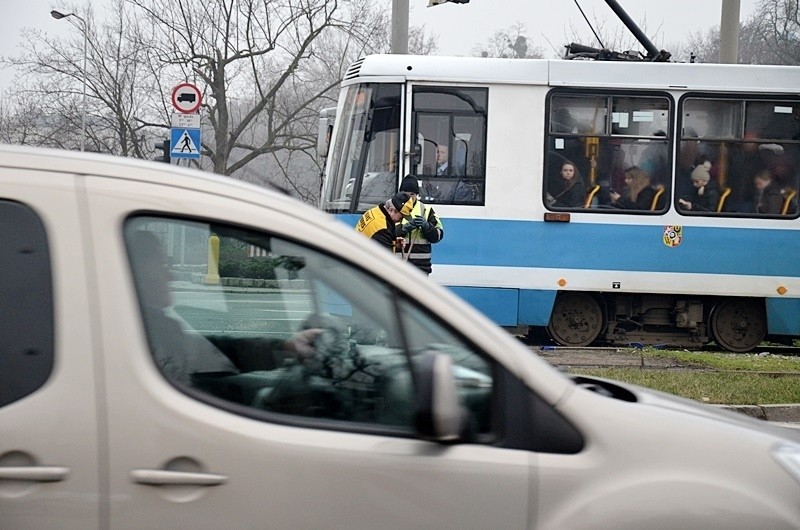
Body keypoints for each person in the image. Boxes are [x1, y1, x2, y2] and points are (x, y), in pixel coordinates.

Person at [127, 231, 321, 386]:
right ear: (138, 272)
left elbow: (215, 349)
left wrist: (286, 347)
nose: (170, 276)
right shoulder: (141, 332)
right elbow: (210, 354)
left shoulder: (152, 326)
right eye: (161, 265)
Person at [396, 176, 444, 275]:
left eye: (412, 194)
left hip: (420, 269)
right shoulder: (393, 209)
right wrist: (404, 228)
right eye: (406, 194)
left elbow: (438, 236)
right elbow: (385, 233)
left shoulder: (426, 210)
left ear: (417, 195)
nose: (409, 198)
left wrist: (427, 227)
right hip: (396, 267)